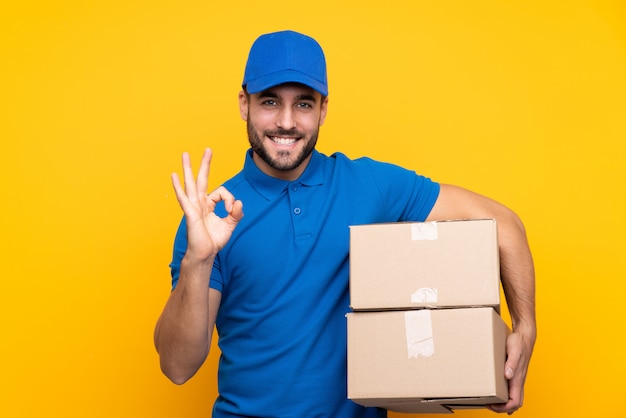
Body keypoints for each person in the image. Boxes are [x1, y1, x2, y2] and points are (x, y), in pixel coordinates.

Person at [154, 30, 536, 417]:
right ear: (244, 104)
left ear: (322, 110)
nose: (286, 122)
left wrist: (525, 326)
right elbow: (177, 367)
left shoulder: (370, 186)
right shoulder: (210, 218)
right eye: (270, 102)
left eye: (303, 104)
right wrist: (197, 261)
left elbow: (504, 224)